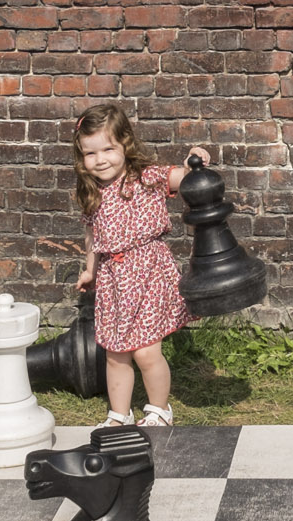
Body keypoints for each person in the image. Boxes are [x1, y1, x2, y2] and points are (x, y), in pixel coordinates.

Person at [72, 103, 207, 427]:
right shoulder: (92, 193)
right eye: (90, 153)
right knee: (116, 352)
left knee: (146, 352)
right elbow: (92, 236)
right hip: (113, 280)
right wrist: (90, 270)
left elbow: (184, 178)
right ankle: (119, 415)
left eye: (108, 149)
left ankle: (160, 410)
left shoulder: (148, 178)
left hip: (149, 273)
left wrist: (194, 160)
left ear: (125, 144)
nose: (100, 159)